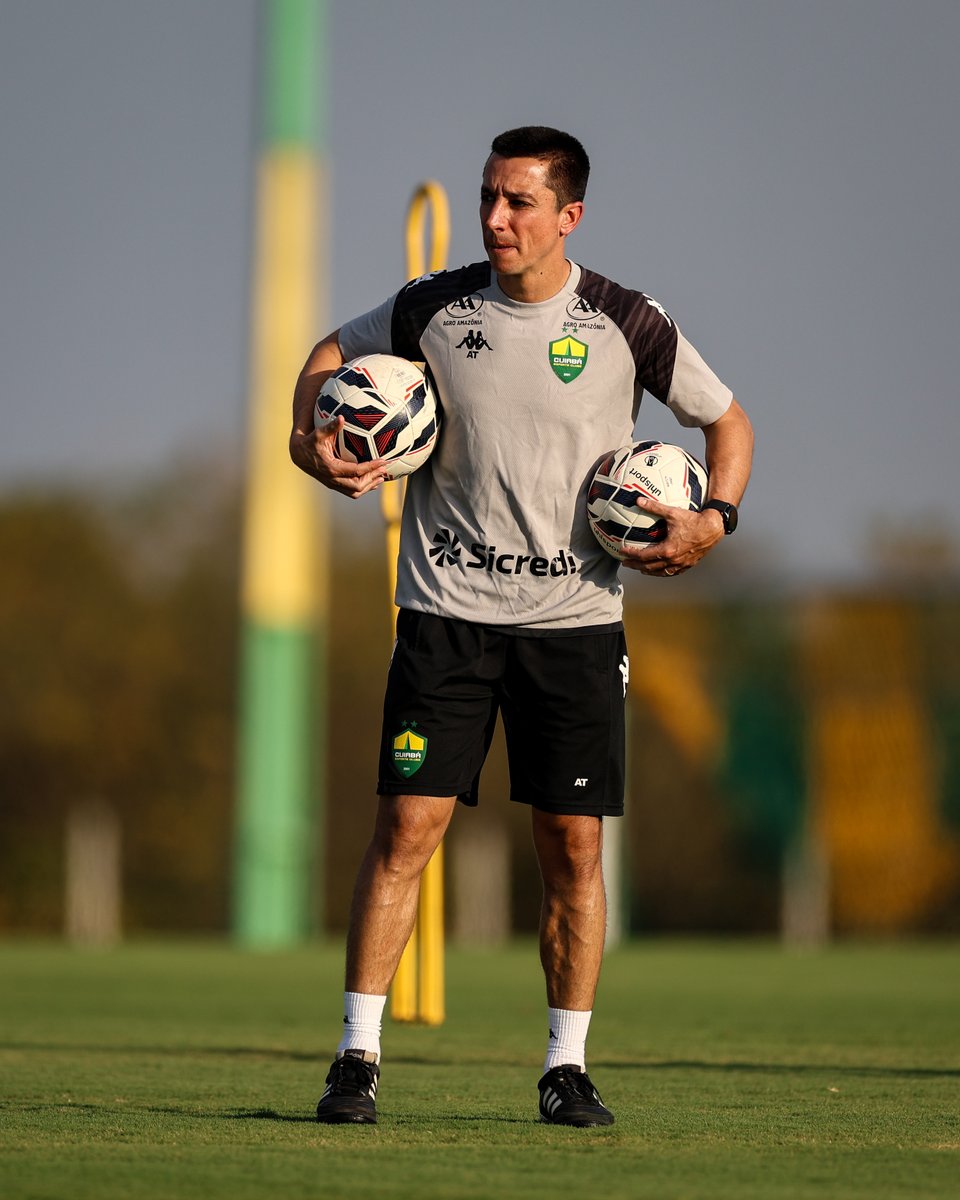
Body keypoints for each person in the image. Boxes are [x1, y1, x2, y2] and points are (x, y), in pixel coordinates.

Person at [289, 126, 754, 1127]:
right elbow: (327, 357)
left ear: (568, 214)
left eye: (519, 203)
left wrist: (713, 518)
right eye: (489, 198)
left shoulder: (629, 321)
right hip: (445, 619)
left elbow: (728, 422)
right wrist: (307, 438)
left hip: (576, 629)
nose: (496, 219)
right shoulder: (433, 307)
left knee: (572, 850)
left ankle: (566, 1068)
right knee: (406, 829)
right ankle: (356, 1057)